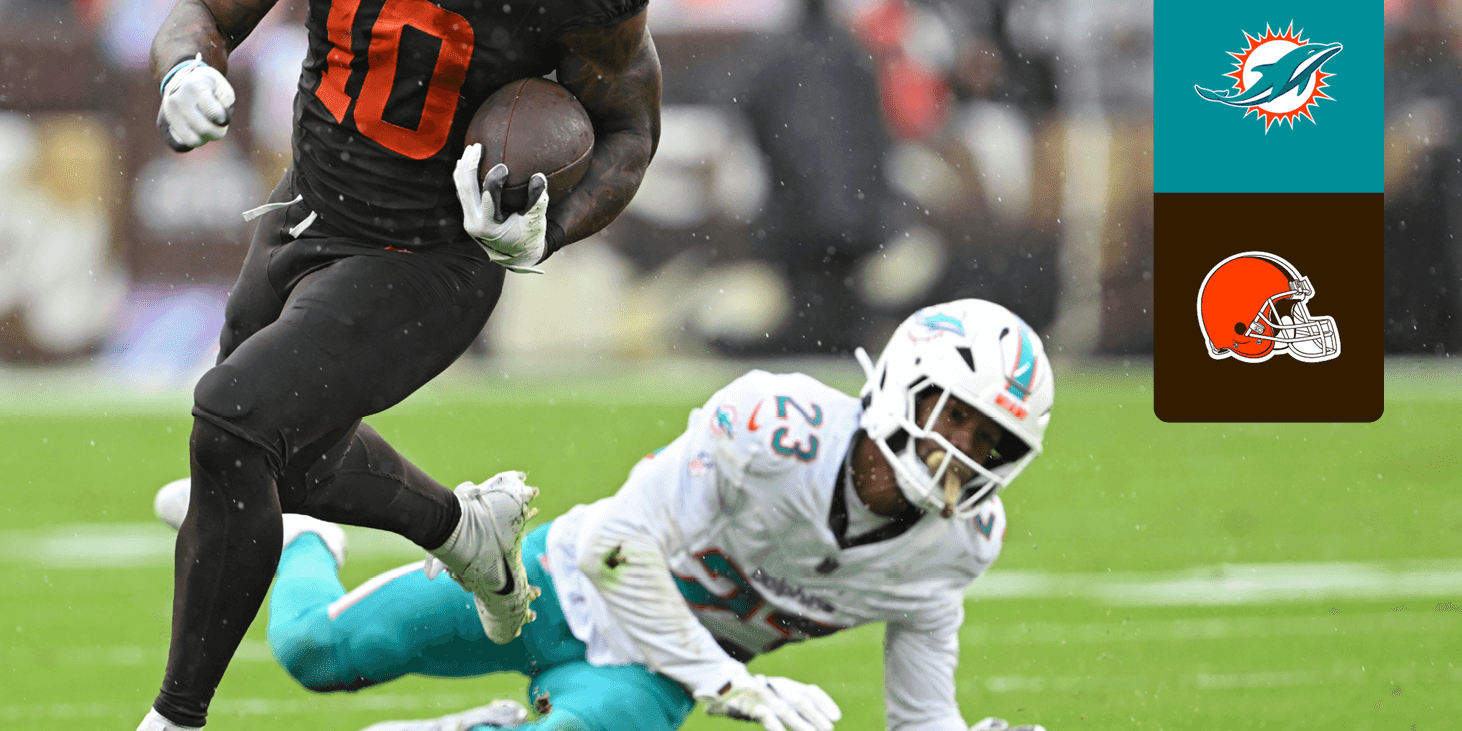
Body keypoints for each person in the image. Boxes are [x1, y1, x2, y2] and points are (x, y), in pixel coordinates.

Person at [137, 0, 662, 727]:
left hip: (432, 250)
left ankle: (175, 718)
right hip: (310, 204)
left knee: (232, 423)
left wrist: (545, 232)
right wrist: (186, 64)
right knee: (282, 462)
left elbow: (629, 129)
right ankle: (466, 533)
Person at [156, 299, 1053, 731]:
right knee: (314, 653)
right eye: (955, 416)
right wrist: (727, 682)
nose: (965, 451)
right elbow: (620, 550)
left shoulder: (960, 544)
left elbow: (920, 713)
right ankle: (306, 537)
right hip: (554, 581)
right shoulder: (776, 426)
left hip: (649, 680)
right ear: (900, 383)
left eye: (992, 440)